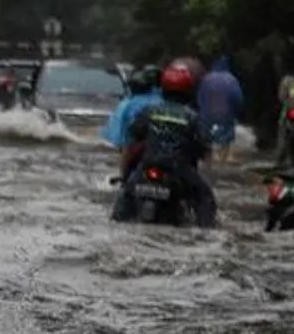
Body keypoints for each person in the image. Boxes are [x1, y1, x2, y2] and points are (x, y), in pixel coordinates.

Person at [112, 62, 217, 228]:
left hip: (148, 167)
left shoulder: (149, 111)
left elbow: (130, 145)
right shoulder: (192, 117)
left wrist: (124, 176)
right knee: (205, 198)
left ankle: (115, 223)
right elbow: (206, 150)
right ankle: (206, 231)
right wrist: (207, 179)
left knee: (124, 197)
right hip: (179, 171)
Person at [101, 64, 162, 172]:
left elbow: (116, 135)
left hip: (136, 148)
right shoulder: (168, 101)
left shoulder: (128, 104)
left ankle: (122, 177)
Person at [196, 53, 245, 162]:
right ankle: (222, 165)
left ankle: (209, 166)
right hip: (226, 117)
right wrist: (237, 112)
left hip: (207, 116)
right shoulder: (231, 80)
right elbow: (238, 98)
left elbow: (199, 97)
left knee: (207, 143)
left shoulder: (206, 79)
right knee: (224, 143)